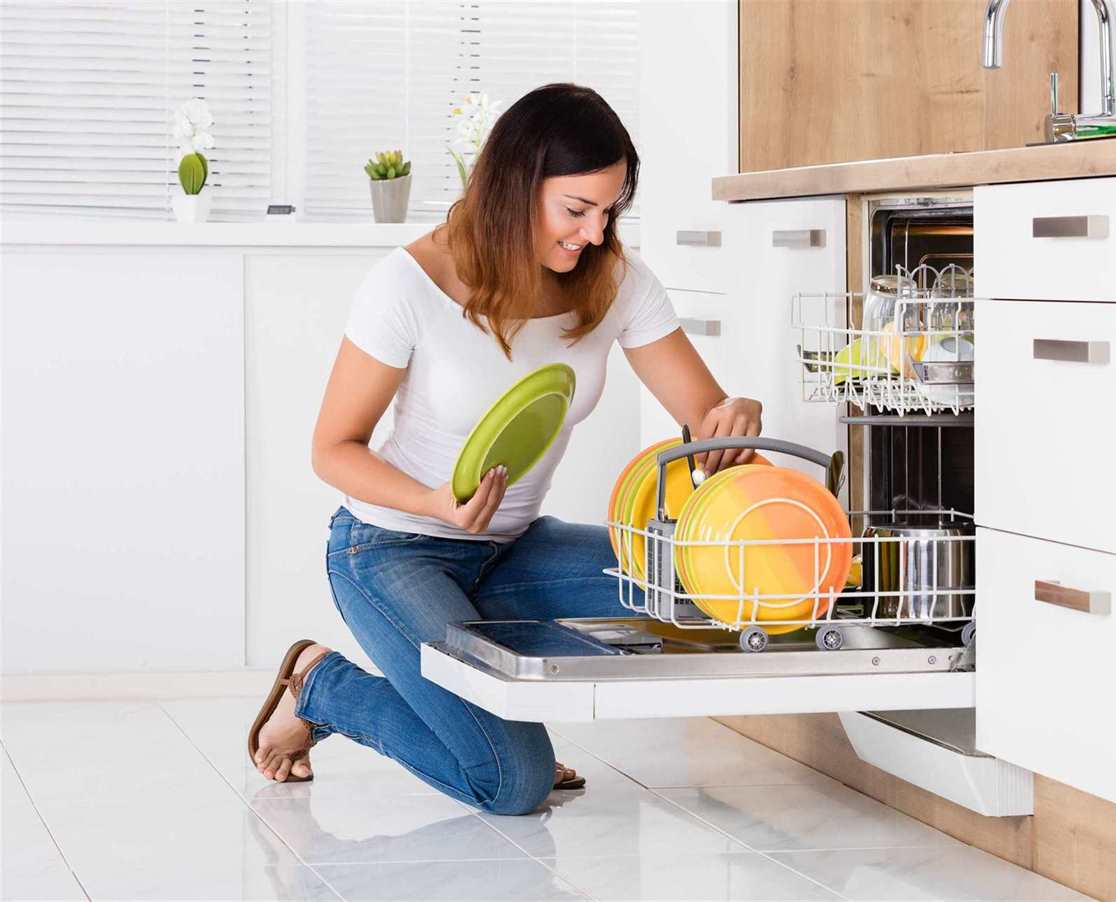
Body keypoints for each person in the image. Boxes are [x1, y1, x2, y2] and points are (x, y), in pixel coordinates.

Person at [245, 83, 763, 815]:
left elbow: (704, 415)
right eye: (575, 210)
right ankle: (324, 686)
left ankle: (475, 707)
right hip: (392, 550)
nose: (592, 233)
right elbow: (332, 449)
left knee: (702, 582)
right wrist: (432, 502)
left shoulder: (615, 280)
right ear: (515, 187)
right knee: (511, 784)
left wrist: (731, 415)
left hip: (512, 552)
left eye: (608, 211)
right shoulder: (408, 285)